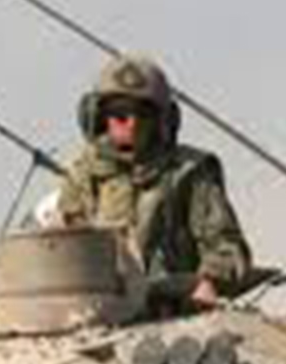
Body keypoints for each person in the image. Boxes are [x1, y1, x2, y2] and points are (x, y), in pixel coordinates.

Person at [57, 55, 252, 309]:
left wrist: (209, 281)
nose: (131, 122)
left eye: (142, 113)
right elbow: (63, 250)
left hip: (174, 307)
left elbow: (227, 247)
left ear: (161, 120)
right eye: (118, 112)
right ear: (98, 117)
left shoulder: (188, 171)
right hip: (100, 308)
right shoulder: (81, 176)